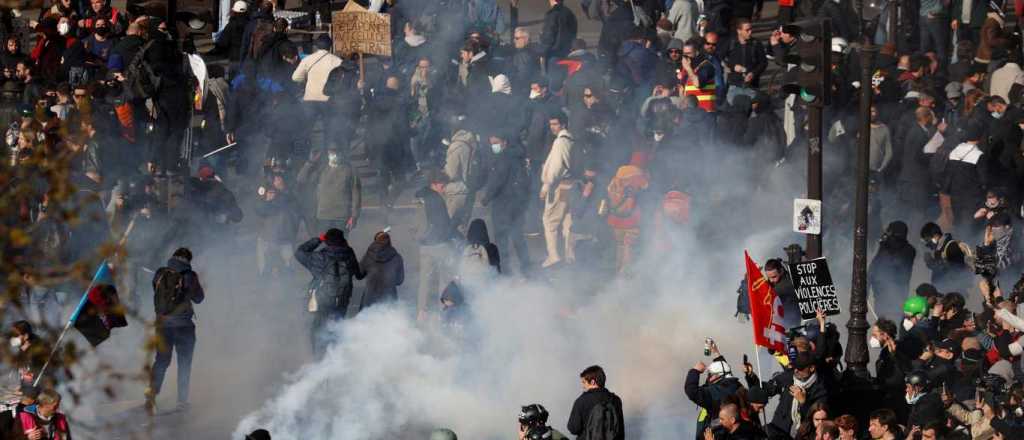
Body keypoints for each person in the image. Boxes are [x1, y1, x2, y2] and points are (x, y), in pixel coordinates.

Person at [147, 247, 205, 414]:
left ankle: (151, 397)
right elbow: (199, 298)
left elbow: (156, 294)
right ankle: (182, 401)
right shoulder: (189, 276)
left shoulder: (159, 273)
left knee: (161, 361)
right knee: (184, 363)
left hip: (162, 325)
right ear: (188, 260)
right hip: (184, 327)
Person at [295, 228, 363, 357]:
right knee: (338, 324)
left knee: (318, 324)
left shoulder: (319, 256)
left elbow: (300, 252)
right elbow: (358, 273)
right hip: (343, 297)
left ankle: (316, 354)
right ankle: (335, 355)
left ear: (327, 241)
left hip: (322, 297)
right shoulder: (349, 253)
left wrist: (318, 239)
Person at [480, 130, 531, 275]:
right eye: (491, 144)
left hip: (503, 204)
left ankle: (505, 270)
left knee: (501, 238)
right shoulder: (517, 157)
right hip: (517, 203)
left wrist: (486, 198)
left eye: (496, 143)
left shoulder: (502, 159)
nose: (493, 146)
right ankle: (526, 267)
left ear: (504, 142)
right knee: (517, 236)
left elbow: (497, 181)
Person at [415, 171, 456, 322]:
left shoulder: (420, 197)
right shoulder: (436, 199)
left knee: (424, 280)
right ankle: (443, 311)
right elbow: (443, 223)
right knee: (445, 277)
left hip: (424, 245)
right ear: (434, 183)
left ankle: (421, 312)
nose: (443, 189)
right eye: (442, 185)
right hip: (439, 244)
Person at [540, 112, 579, 268]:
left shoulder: (560, 142)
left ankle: (553, 256)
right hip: (571, 185)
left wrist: (547, 185)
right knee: (568, 221)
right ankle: (570, 255)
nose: (552, 127)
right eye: (551, 124)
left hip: (559, 186)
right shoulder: (571, 140)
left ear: (563, 124)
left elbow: (555, 168)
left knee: (550, 221)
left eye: (555, 124)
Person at [685, 343, 743, 440]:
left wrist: (695, 371)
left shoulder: (716, 392)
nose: (708, 378)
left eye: (710, 375)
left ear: (717, 376)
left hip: (716, 435)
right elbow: (725, 370)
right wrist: (717, 354)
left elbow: (692, 391)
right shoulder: (734, 385)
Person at [868, 221, 917, 317]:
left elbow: (896, 265)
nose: (886, 234)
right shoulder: (885, 247)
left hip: (896, 294)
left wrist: (886, 243)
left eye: (889, 231)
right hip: (880, 292)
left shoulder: (909, 250)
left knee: (893, 320)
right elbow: (874, 266)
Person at [567, 365, 625, 440]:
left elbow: (573, 429)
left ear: (592, 382)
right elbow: (620, 430)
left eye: (584, 382)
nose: (583, 386)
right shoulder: (616, 400)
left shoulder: (581, 401)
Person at [356, 230, 404, 311]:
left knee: (367, 321)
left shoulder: (368, 256)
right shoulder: (397, 257)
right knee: (387, 321)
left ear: (375, 241)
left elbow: (359, 275)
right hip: (389, 298)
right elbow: (399, 280)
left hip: (369, 298)